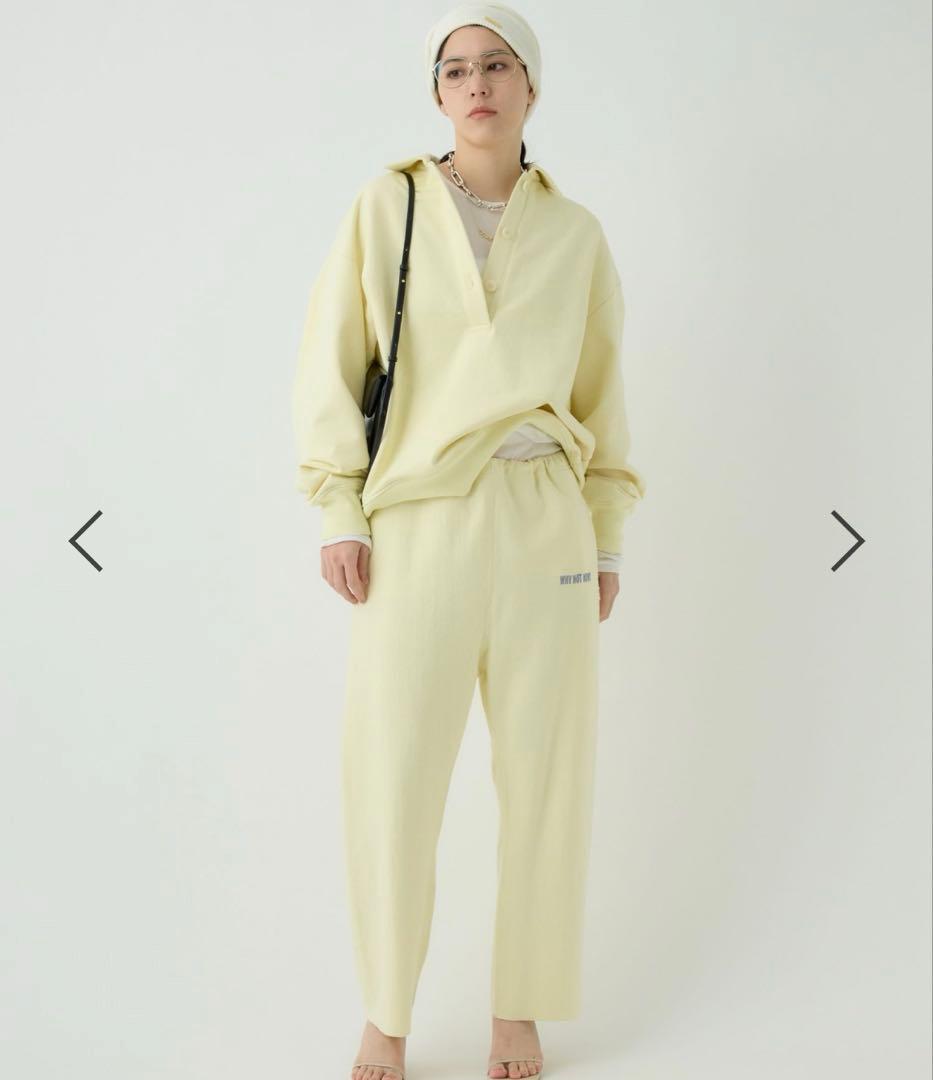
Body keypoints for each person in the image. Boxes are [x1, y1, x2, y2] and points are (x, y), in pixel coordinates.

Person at [291, 4, 646, 1078]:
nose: (477, 83)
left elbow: (601, 396)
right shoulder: (389, 204)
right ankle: (386, 1015)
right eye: (455, 69)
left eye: (497, 65)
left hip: (548, 521)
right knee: (392, 777)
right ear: (437, 93)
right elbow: (334, 365)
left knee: (548, 778)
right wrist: (339, 510)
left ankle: (518, 1010)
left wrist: (607, 540)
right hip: (421, 520)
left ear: (531, 86)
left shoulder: (576, 233)